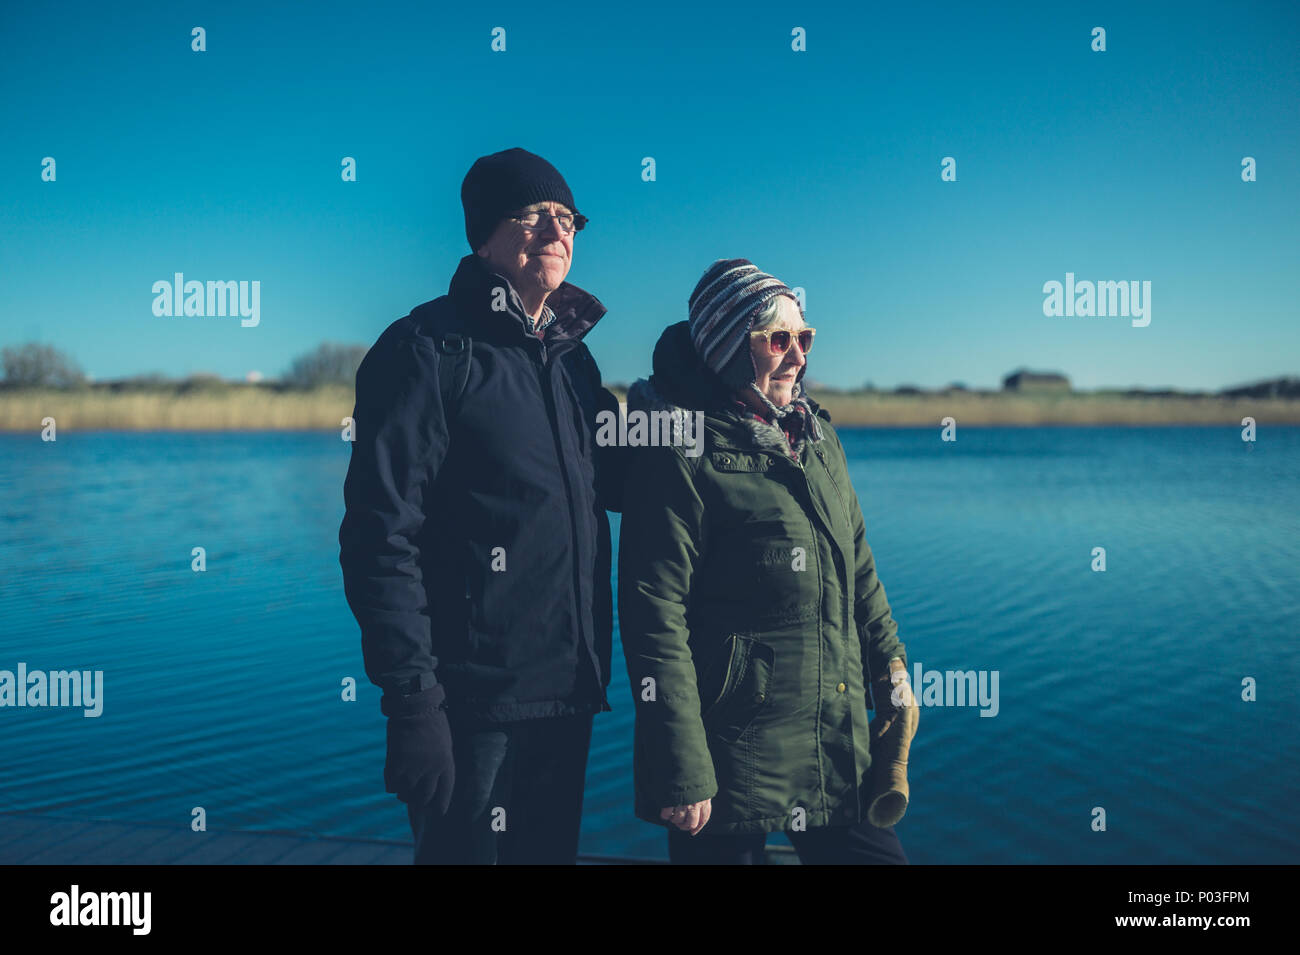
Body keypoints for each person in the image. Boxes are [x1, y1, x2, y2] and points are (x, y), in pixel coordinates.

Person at [338, 147, 624, 864]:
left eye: (568, 218)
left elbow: (623, 480)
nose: (557, 231)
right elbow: (380, 538)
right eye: (534, 216)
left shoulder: (573, 362)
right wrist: (413, 704)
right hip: (470, 709)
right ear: (484, 234)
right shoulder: (427, 351)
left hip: (568, 694)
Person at [618, 258, 919, 864]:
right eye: (778, 339)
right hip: (728, 753)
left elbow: (861, 572)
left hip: (833, 738)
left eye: (804, 337)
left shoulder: (818, 439)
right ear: (731, 351)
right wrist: (682, 764)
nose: (798, 355)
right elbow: (655, 613)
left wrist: (891, 668)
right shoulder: (681, 449)